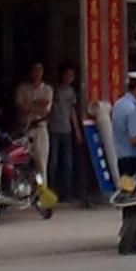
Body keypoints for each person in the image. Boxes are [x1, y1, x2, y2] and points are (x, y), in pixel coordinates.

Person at [48, 63, 82, 202]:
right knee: (53, 161)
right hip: (53, 129)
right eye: (67, 75)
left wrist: (77, 130)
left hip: (66, 129)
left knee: (68, 163)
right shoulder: (54, 89)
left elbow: (72, 112)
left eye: (72, 76)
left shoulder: (71, 92)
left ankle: (67, 193)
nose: (69, 78)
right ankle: (52, 189)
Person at [15, 62, 53, 183]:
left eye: (39, 70)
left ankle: (42, 191)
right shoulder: (22, 88)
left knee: (41, 163)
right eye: (35, 70)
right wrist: (37, 104)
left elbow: (45, 110)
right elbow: (20, 108)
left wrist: (29, 105)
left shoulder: (47, 89)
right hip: (24, 129)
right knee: (22, 162)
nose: (37, 73)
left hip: (40, 128)